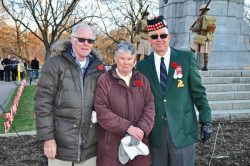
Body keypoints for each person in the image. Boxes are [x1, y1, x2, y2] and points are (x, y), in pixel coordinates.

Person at [136, 15, 212, 166]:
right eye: (154, 36)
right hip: (155, 133)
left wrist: (206, 119)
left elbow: (199, 92)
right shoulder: (142, 67)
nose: (159, 39)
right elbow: (139, 100)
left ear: (169, 37)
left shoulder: (186, 59)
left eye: (163, 35)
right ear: (149, 40)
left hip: (183, 130)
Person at [35, 22, 105, 166]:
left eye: (90, 40)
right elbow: (43, 103)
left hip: (89, 146)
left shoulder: (99, 68)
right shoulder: (54, 64)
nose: (86, 44)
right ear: (72, 39)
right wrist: (48, 138)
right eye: (81, 39)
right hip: (60, 146)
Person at [94, 41, 155, 166]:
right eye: (122, 58)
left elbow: (150, 106)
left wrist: (141, 129)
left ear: (134, 61)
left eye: (129, 58)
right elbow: (102, 112)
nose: (126, 62)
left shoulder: (142, 79)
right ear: (115, 59)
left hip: (138, 143)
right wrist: (127, 128)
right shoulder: (105, 80)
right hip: (112, 145)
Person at [190, 4, 216, 71]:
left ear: (202, 10)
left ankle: (192, 64)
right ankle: (205, 67)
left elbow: (197, 28)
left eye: (201, 10)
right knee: (206, 53)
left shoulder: (201, 17)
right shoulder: (211, 18)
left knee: (192, 50)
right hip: (208, 37)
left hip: (200, 36)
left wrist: (192, 29)